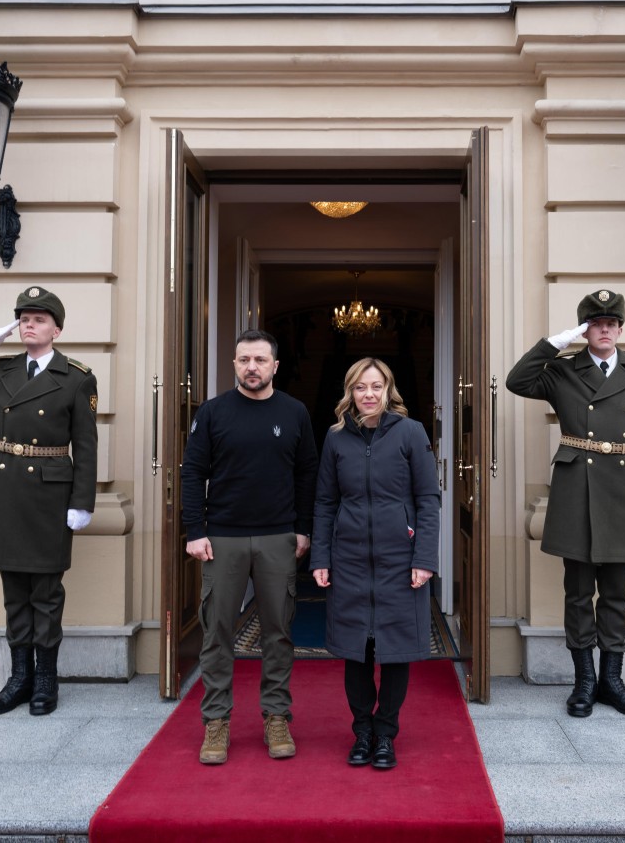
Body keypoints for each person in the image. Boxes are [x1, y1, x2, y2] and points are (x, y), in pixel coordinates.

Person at [0, 286, 98, 717]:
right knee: (14, 594)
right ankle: (19, 678)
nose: (29, 323)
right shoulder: (0, 371)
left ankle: (46, 680)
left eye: (39, 319)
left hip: (48, 495)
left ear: (57, 329)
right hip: (5, 491)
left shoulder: (77, 377)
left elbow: (86, 445)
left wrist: (82, 502)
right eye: (23, 317)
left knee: (46, 594)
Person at [505, 289, 625, 719]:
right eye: (596, 324)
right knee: (577, 593)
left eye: (612, 323)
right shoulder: (562, 371)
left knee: (615, 593)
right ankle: (585, 681)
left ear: (621, 329)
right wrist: (552, 344)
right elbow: (516, 381)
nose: (606, 329)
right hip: (577, 490)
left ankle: (612, 680)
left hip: (623, 492)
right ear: (585, 330)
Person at [182, 330, 318, 765]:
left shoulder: (295, 412)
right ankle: (216, 722)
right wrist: (193, 530)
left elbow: (307, 475)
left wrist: (303, 529)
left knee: (278, 631)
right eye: (244, 360)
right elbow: (191, 473)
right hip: (222, 536)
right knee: (217, 631)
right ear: (234, 364)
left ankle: (276, 715)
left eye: (260, 359)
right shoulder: (213, 412)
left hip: (279, 536)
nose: (251, 367)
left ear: (275, 365)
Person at [310, 358, 440, 771]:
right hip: (348, 559)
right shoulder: (335, 439)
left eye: (377, 387)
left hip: (400, 560)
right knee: (357, 650)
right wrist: (320, 557)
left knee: (395, 649)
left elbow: (428, 501)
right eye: (361, 387)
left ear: (388, 391)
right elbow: (325, 501)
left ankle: (386, 733)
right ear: (350, 392)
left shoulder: (410, 433)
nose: (369, 394)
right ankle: (362, 732)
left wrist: (424, 558)